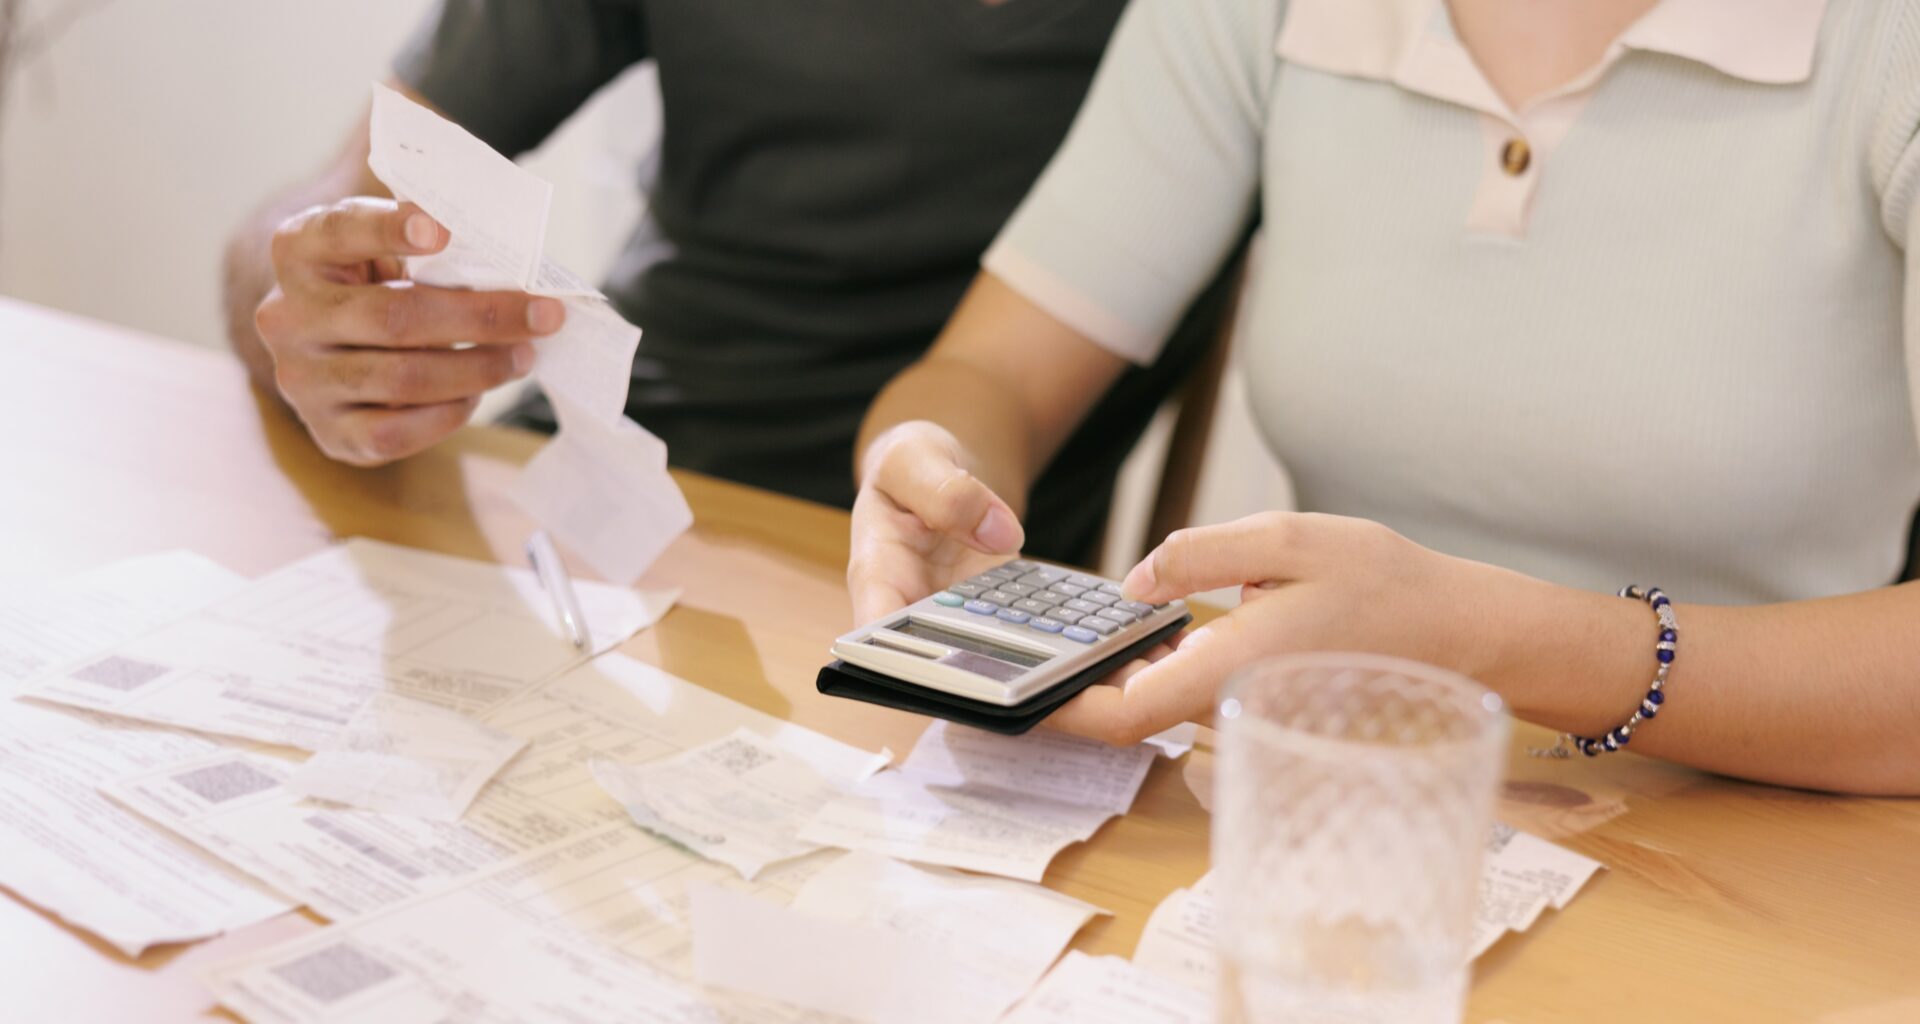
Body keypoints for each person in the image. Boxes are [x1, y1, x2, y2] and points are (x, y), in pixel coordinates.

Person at [848, 0, 1920, 796]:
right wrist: (929, 466)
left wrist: (1498, 642)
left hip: (1777, 852)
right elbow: (990, 374)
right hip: (1328, 806)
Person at [222, 1, 1243, 566]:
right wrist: (307, 319)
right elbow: (321, 212)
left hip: (915, 579)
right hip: (577, 505)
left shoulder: (1233, 31)